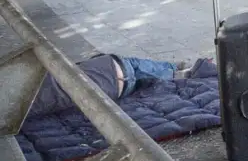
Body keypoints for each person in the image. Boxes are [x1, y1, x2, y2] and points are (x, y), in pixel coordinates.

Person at [26, 54, 191, 120]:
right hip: (112, 72)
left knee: (139, 72)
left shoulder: (28, 106)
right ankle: (175, 70)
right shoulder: (28, 89)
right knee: (137, 67)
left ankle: (174, 70)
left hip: (112, 82)